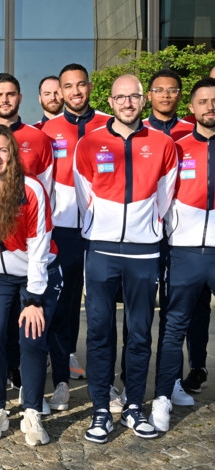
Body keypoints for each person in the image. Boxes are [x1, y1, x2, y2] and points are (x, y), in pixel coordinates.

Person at [74, 74, 177, 443]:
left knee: (138, 333)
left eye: (134, 96)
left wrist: (145, 226)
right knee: (100, 332)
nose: (128, 103)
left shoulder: (163, 143)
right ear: (111, 101)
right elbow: (83, 192)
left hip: (144, 251)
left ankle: (134, 405)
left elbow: (165, 196)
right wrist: (99, 229)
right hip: (101, 250)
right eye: (121, 97)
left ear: (143, 101)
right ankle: (101, 408)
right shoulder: (90, 143)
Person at [0, 125, 61, 447]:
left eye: (3, 150)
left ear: (13, 154)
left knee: (31, 339)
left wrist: (34, 298)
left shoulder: (31, 189)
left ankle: (32, 409)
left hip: (33, 275)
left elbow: (39, 248)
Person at [40, 63, 110, 412]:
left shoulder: (109, 123)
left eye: (81, 85)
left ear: (89, 87)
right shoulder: (48, 130)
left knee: (101, 307)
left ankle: (104, 381)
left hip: (103, 229)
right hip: (63, 228)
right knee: (63, 305)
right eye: (68, 86)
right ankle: (63, 382)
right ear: (61, 91)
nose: (75, 92)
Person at [150, 77, 215, 433]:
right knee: (173, 328)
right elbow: (161, 194)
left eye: (214, 100)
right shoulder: (177, 145)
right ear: (192, 109)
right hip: (184, 252)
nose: (210, 106)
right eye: (203, 101)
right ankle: (162, 397)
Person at [141, 69, 200, 408]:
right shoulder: (139, 131)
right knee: (139, 314)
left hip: (183, 238)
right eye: (159, 90)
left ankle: (173, 379)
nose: (165, 95)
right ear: (149, 95)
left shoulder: (191, 133)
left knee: (175, 313)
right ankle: (130, 380)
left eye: (172, 90)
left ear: (180, 95)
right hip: (145, 234)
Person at [0, 73, 54, 196]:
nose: (5, 100)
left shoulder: (39, 138)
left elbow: (44, 189)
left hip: (26, 213)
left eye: (10, 94)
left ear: (20, 98)